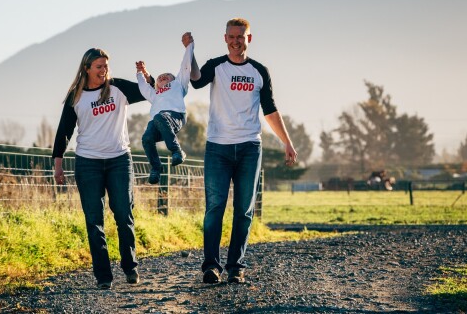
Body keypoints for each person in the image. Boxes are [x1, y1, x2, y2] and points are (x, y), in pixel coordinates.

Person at [190, 17, 297, 284]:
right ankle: (211, 267)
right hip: (218, 147)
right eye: (232, 36)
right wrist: (189, 52)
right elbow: (195, 81)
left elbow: (270, 110)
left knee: (244, 210)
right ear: (225, 38)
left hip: (250, 148)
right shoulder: (216, 67)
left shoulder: (259, 71)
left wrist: (287, 141)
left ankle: (236, 267)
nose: (236, 41)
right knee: (215, 207)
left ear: (249, 38)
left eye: (241, 36)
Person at [52, 47, 146, 289]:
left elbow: (151, 91)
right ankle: (104, 277)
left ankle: (130, 267)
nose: (104, 70)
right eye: (99, 67)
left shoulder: (118, 88)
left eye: (105, 66)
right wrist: (58, 164)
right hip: (88, 163)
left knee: (124, 215)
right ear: (87, 68)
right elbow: (64, 131)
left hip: (119, 160)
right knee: (94, 221)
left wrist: (145, 76)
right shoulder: (76, 96)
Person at [135, 32, 201, 184]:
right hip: (158, 122)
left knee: (160, 116)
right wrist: (140, 73)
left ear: (174, 79)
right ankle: (156, 168)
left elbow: (185, 66)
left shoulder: (179, 84)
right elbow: (144, 87)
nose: (163, 76)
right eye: (160, 77)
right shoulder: (155, 94)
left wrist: (189, 47)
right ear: (157, 85)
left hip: (175, 116)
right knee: (146, 137)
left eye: (167, 75)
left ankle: (177, 151)